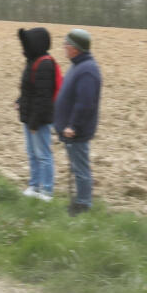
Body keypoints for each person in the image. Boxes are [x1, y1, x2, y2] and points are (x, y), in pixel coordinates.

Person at [55, 28, 102, 216]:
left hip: (76, 131)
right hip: (71, 129)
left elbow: (85, 103)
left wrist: (73, 125)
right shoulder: (78, 65)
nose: (64, 47)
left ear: (75, 48)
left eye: (66, 44)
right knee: (77, 167)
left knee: (81, 169)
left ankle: (83, 205)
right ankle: (79, 201)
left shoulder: (87, 70)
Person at [15, 27, 58, 201]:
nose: (23, 48)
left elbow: (43, 97)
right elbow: (29, 90)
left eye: (26, 44)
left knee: (44, 155)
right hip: (30, 117)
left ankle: (46, 190)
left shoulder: (45, 64)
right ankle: (34, 186)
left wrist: (34, 123)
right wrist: (20, 101)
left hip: (39, 120)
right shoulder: (33, 61)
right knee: (32, 153)